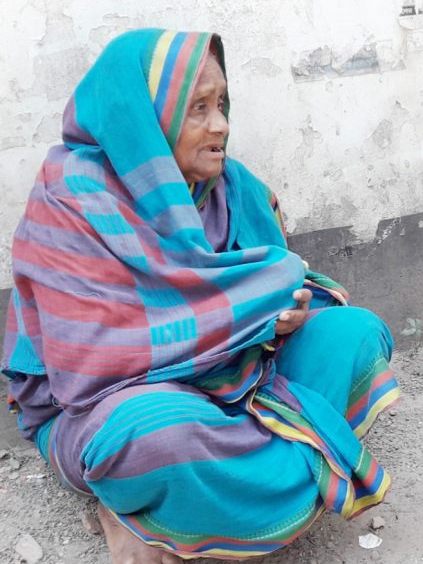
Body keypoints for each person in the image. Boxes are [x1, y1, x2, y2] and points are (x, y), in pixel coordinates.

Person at [2, 28, 399, 564]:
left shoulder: (228, 186)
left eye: (222, 104)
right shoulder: (71, 196)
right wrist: (237, 320)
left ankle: (198, 502)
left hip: (242, 373)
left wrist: (285, 311)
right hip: (112, 401)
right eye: (198, 109)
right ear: (146, 117)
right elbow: (89, 364)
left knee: (355, 333)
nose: (221, 126)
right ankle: (144, 500)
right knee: (156, 438)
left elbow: (272, 287)